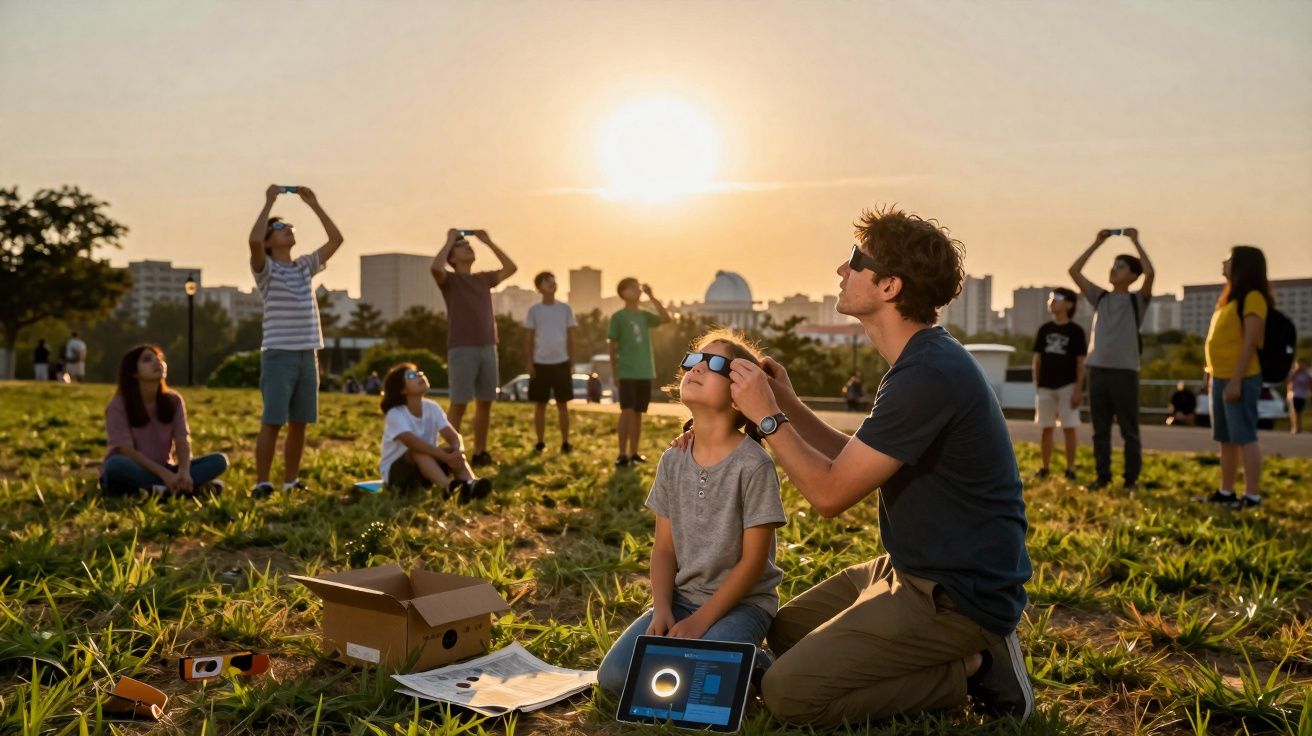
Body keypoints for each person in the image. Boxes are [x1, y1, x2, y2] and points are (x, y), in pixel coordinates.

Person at [710, 207, 1032, 726]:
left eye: (856, 260)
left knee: (788, 695)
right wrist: (787, 403)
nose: (842, 269)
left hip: (957, 595)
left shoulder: (927, 374)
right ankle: (938, 655)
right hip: (912, 569)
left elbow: (830, 495)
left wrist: (767, 418)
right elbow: (852, 459)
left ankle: (977, 668)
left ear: (889, 286)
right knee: (786, 630)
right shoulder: (919, 362)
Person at [596, 330, 786, 693]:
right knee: (615, 678)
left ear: (739, 394)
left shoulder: (754, 465)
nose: (697, 367)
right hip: (682, 600)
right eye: (694, 360)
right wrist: (662, 609)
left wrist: (701, 622)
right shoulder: (673, 458)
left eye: (714, 363)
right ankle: (740, 662)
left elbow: (753, 563)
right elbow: (664, 549)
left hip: (743, 605)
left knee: (697, 678)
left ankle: (758, 663)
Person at [247, 184, 344, 498]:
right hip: (279, 354)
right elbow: (253, 241)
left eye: (289, 226)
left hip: (307, 353)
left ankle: (291, 481)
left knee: (300, 422)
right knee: (273, 421)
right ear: (268, 241)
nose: (288, 229)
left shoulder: (304, 266)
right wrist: (269, 202)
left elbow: (336, 240)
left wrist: (314, 204)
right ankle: (263, 483)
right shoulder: (267, 269)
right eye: (279, 227)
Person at [1068, 228, 1155, 491]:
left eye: (1121, 266)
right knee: (1100, 430)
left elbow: (1151, 273)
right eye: (1114, 265)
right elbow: (1074, 271)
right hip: (1097, 369)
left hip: (1124, 371)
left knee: (1129, 430)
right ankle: (1102, 477)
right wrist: (1097, 243)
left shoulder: (1137, 300)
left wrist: (1136, 241)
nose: (1114, 269)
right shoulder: (1101, 297)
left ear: (1133, 275)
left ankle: (1131, 480)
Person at [430, 229, 517, 467]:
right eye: (462, 246)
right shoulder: (450, 280)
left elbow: (511, 268)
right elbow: (436, 268)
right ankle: (449, 453)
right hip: (462, 347)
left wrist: (488, 241)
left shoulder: (483, 279)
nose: (468, 247)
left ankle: (480, 451)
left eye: (469, 245)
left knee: (485, 401)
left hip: (488, 346)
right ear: (452, 257)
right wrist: (449, 240)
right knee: (459, 403)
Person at [100, 345, 228, 496]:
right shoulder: (118, 405)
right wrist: (165, 475)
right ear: (134, 372)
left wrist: (184, 472)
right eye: (147, 360)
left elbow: (182, 441)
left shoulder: (174, 401)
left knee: (219, 461)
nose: (157, 362)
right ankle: (183, 490)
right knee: (115, 465)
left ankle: (160, 490)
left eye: (159, 359)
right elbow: (125, 451)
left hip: (167, 468)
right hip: (134, 469)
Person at [1202, 246, 1270, 510]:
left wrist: (1236, 380)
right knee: (1226, 438)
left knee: (1244, 436)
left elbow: (1251, 341)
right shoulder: (1229, 298)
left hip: (1240, 377)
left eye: (1230, 259)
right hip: (1220, 377)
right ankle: (1226, 491)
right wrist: (1210, 375)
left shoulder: (1253, 297)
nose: (1224, 262)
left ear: (1243, 265)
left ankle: (1252, 496)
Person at [378, 363, 491, 502]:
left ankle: (470, 483)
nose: (419, 375)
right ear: (402, 389)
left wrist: (457, 451)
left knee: (452, 450)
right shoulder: (395, 413)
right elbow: (413, 443)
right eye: (411, 375)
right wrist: (445, 457)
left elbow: (452, 435)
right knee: (418, 451)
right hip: (397, 476)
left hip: (426, 470)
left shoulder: (432, 407)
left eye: (419, 372)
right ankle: (449, 488)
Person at [608, 278, 672, 467]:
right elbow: (612, 346)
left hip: (644, 371)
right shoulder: (618, 317)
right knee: (627, 411)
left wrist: (651, 296)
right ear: (623, 293)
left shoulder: (644, 315)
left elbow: (666, 318)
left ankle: (634, 452)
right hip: (626, 371)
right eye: (631, 287)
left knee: (638, 412)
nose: (637, 289)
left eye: (637, 286)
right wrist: (614, 372)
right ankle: (622, 454)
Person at [1031, 287, 1086, 480]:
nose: (1052, 301)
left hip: (1067, 386)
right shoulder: (1044, 329)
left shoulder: (1076, 331)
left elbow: (1081, 363)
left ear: (1069, 304)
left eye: (1058, 298)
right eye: (1051, 298)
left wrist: (1078, 389)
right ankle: (1045, 467)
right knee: (1046, 427)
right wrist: (1037, 383)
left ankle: (1070, 469)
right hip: (1045, 387)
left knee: (1069, 427)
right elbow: (1036, 359)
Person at [524, 271, 577, 454]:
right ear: (539, 287)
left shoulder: (565, 309)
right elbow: (529, 339)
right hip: (540, 363)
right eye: (546, 281)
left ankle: (565, 442)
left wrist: (571, 359)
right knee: (540, 405)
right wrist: (530, 362)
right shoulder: (534, 310)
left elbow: (571, 336)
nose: (551, 283)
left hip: (561, 362)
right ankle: (540, 442)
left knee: (563, 404)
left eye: (553, 280)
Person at [1288, 359, 1309, 434]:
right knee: (1294, 411)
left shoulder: (1306, 375)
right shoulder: (1294, 374)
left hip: (1302, 395)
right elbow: (1289, 382)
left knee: (1299, 412)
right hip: (1294, 395)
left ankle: (1298, 427)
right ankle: (1294, 427)